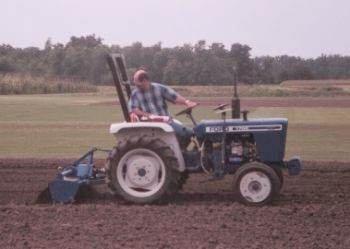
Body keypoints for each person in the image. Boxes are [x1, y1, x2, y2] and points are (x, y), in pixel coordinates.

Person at [128, 69, 197, 146]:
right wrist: (149, 116)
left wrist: (186, 102)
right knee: (187, 133)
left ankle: (180, 152)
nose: (137, 87)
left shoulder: (159, 88)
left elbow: (174, 97)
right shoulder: (135, 94)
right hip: (150, 125)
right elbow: (133, 109)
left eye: (138, 85)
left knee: (188, 133)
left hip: (165, 121)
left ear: (145, 81)